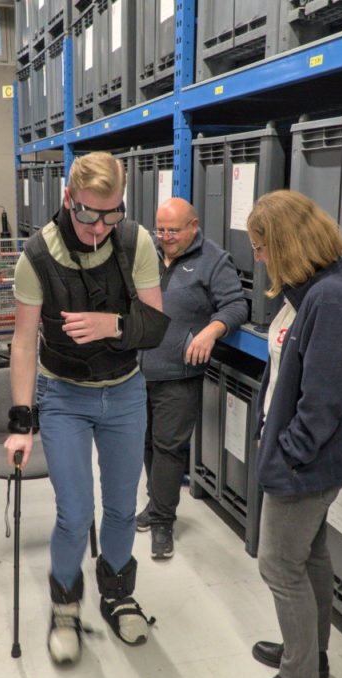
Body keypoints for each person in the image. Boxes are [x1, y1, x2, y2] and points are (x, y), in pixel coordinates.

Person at [3, 151, 168, 665]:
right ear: (68, 199)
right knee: (75, 514)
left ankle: (117, 594)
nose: (99, 227)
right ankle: (65, 606)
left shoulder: (136, 240)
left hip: (124, 392)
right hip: (64, 396)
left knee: (121, 508)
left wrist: (111, 325)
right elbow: (24, 342)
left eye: (112, 213)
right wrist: (20, 421)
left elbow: (155, 327)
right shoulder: (37, 255)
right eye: (89, 214)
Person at [246, 190, 342, 678]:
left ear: (288, 243)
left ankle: (299, 673)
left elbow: (323, 400)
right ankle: (310, 654)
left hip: (304, 463)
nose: (258, 256)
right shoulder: (309, 291)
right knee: (308, 556)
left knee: (277, 566)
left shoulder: (329, 299)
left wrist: (287, 455)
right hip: (298, 457)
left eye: (262, 245)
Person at [136, 197, 247, 560]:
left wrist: (209, 331)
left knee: (169, 447)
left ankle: (163, 522)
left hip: (179, 374)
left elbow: (235, 306)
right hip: (138, 370)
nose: (165, 237)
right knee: (147, 443)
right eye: (160, 229)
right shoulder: (147, 253)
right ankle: (155, 505)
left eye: (173, 231)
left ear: (193, 226)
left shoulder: (213, 260)